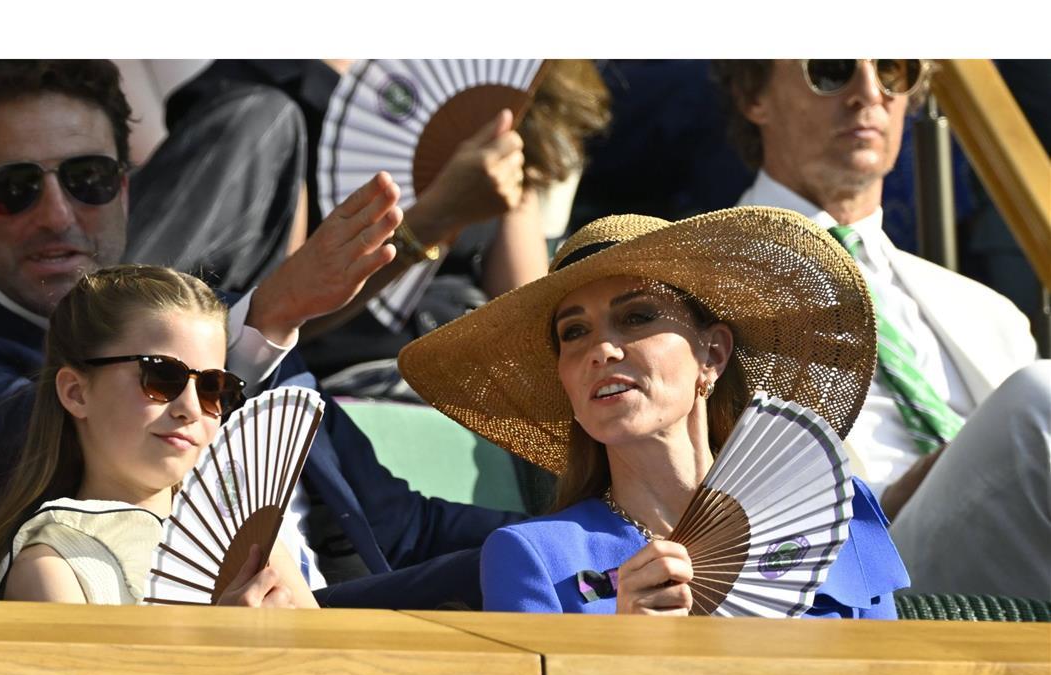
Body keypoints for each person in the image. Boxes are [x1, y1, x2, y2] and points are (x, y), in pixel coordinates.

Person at [0, 60, 519, 606]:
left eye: (88, 178)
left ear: (126, 188)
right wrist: (265, 317)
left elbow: (403, 527)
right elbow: (39, 440)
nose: (57, 214)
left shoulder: (252, 332)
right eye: (12, 191)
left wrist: (587, 531)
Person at [399, 210, 910, 617]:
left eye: (637, 317)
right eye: (573, 333)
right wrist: (626, 655)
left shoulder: (830, 515)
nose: (601, 349)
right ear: (566, 383)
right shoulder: (534, 557)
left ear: (711, 355)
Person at [713, 59, 1050, 599]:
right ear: (755, 95)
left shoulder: (991, 312)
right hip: (853, 573)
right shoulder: (699, 286)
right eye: (831, 69)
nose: (869, 93)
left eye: (895, 70)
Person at [123, 59, 611, 397]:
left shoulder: (487, 90)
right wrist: (433, 219)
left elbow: (528, 311)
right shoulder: (276, 95)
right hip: (356, 379)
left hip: (474, 374)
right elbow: (289, 309)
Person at [0, 265, 317, 607]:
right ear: (76, 393)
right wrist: (219, 641)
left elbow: (334, 659)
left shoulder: (250, 541)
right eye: (162, 376)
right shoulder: (51, 566)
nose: (191, 408)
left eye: (214, 387)